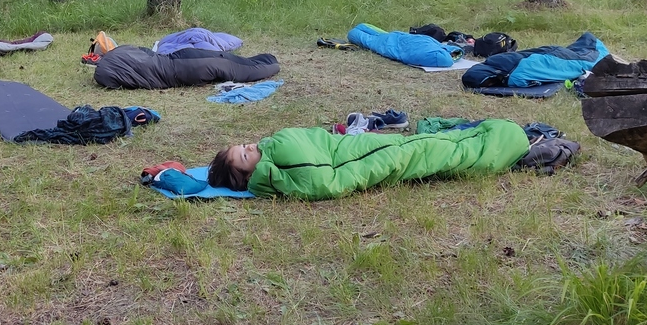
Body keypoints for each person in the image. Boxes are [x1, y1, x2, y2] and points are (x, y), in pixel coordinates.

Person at [207, 119, 530, 200]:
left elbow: (319, 141)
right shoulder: (273, 173)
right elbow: (325, 182)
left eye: (243, 145)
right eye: (244, 156)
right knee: (423, 152)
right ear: (246, 176)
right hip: (360, 158)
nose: (249, 147)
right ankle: (507, 139)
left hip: (349, 146)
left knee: (421, 142)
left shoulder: (271, 146)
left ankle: (492, 136)